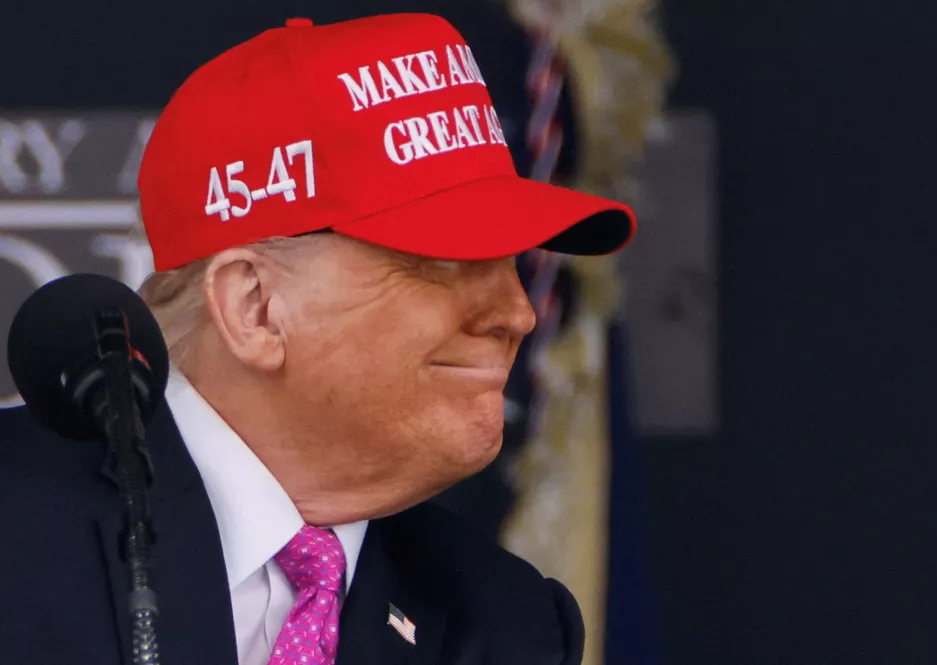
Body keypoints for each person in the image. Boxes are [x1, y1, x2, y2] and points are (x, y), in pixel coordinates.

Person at [0, 13, 635, 665]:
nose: (517, 313)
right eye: (446, 259)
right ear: (255, 307)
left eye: (513, 262)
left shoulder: (511, 622)